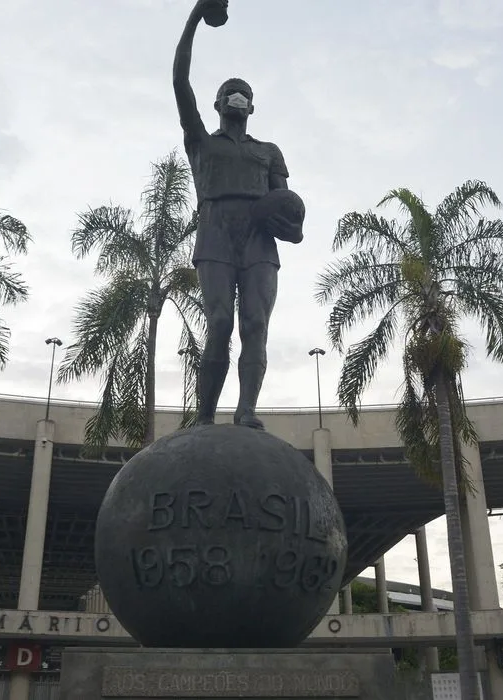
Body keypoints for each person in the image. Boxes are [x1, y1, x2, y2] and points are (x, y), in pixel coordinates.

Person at [173, 0, 301, 430]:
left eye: (244, 91)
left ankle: (246, 410)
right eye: (230, 89)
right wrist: (195, 16)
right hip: (214, 231)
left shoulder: (269, 152)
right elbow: (179, 79)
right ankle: (205, 414)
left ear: (252, 107)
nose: (237, 93)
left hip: (258, 239)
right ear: (216, 103)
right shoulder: (201, 143)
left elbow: (287, 211)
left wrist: (292, 225)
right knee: (220, 321)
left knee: (254, 323)